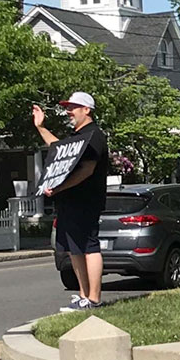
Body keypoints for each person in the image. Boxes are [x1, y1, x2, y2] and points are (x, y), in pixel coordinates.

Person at [32, 92, 108, 312]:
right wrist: (40, 127)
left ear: (87, 110)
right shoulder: (77, 135)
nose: (69, 111)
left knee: (88, 246)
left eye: (74, 107)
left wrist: (59, 188)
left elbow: (87, 169)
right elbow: (58, 150)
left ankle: (94, 299)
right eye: (67, 107)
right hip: (68, 202)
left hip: (85, 201)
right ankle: (84, 296)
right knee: (74, 249)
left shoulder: (94, 136)